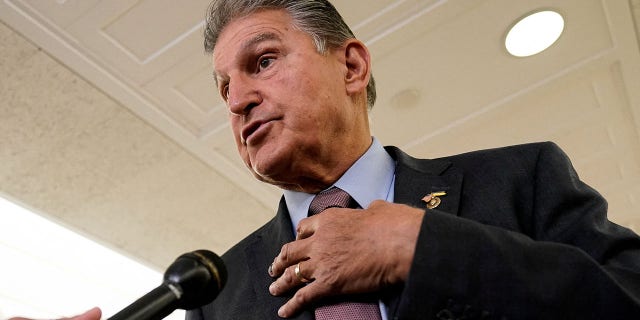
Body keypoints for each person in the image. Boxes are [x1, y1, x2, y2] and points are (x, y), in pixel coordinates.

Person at [10, 0, 640, 319]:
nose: (239, 100)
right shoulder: (215, 291)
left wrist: (424, 248)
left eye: (262, 62)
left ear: (352, 64)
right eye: (225, 88)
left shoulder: (519, 179)